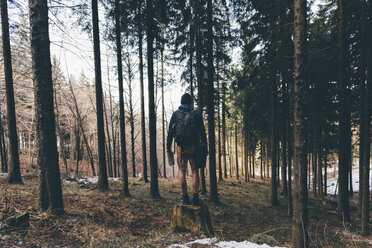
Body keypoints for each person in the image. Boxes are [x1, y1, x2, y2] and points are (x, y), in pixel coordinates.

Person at [167, 93, 207, 206]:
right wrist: (205, 147)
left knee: (182, 171)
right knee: (195, 171)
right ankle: (195, 198)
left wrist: (168, 147)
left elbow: (170, 132)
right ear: (190, 102)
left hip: (181, 147)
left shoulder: (175, 114)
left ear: (181, 102)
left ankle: (185, 198)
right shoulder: (196, 114)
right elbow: (202, 132)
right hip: (194, 146)